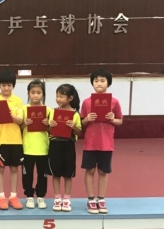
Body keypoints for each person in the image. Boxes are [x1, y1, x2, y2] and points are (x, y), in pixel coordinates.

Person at [80, 68, 123, 214]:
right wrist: (87, 119)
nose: (99, 83)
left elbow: (120, 121)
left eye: (103, 81)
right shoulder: (86, 102)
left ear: (108, 83)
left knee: (103, 171)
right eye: (96, 80)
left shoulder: (114, 102)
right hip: (90, 143)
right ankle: (91, 199)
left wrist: (113, 119)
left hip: (106, 143)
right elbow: (81, 122)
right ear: (92, 83)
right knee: (90, 170)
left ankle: (101, 199)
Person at [0, 69, 24, 210]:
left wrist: (11, 116)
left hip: (15, 140)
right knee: (0, 169)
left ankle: (13, 196)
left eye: (9, 85)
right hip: (0, 140)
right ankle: (1, 197)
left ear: (13, 85)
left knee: (14, 168)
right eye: (3, 85)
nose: (6, 88)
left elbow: (20, 121)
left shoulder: (17, 101)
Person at [47, 84, 82, 212]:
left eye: (61, 96)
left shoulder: (75, 114)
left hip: (68, 146)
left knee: (68, 175)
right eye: (57, 96)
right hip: (55, 145)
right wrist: (50, 125)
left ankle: (66, 199)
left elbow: (79, 132)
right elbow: (48, 131)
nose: (58, 99)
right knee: (55, 174)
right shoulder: (52, 112)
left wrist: (73, 126)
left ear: (70, 98)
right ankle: (57, 199)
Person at [21, 79, 50, 209]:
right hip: (27, 148)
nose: (36, 95)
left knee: (42, 174)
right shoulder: (23, 109)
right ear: (28, 93)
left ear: (43, 94)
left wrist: (47, 125)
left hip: (43, 148)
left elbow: (52, 130)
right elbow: (18, 128)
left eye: (39, 93)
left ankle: (41, 196)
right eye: (33, 92)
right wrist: (24, 123)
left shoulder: (48, 110)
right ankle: (29, 196)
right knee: (27, 174)